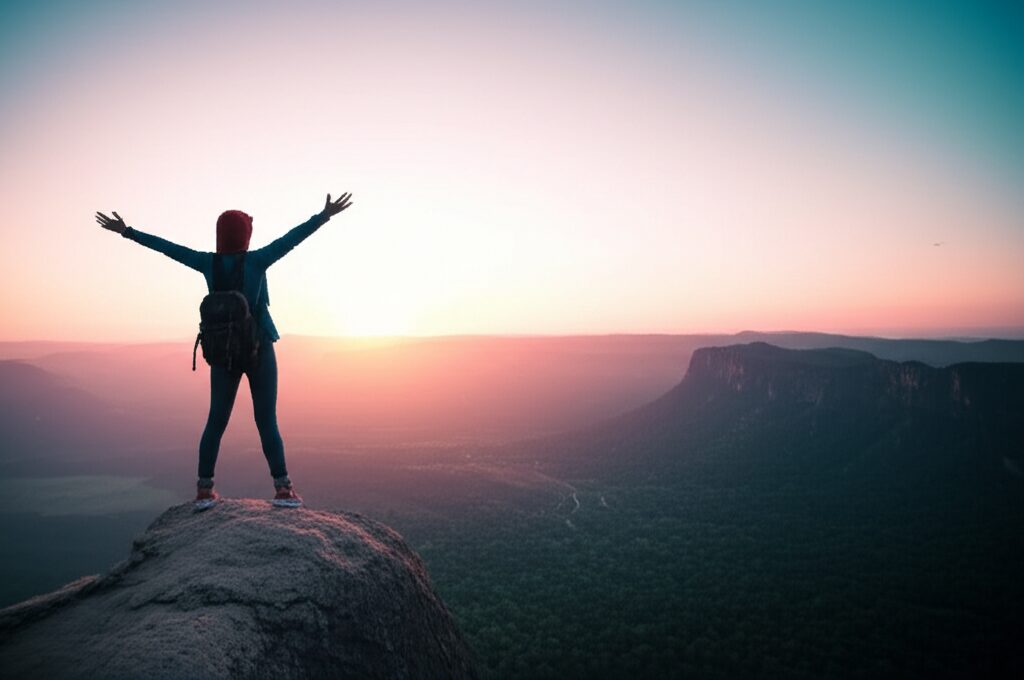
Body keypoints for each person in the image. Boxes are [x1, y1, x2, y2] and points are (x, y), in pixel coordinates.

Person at [95, 192, 354, 510]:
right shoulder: (257, 260)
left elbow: (168, 248)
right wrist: (323, 215)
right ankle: (283, 489)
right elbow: (292, 239)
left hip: (223, 353)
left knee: (216, 420)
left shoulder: (208, 263)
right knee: (266, 421)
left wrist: (128, 232)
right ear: (245, 235)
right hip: (259, 348)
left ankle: (204, 491)